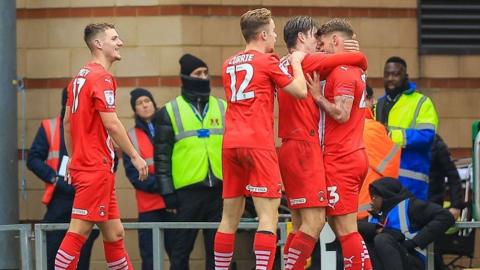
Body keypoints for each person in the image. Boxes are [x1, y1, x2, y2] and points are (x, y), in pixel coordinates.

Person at [213, 8, 309, 270]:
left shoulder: (228, 63)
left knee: (228, 218)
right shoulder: (266, 62)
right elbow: (300, 91)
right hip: (257, 141)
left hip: (230, 142)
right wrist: (297, 62)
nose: (276, 36)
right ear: (263, 34)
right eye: (274, 31)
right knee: (268, 215)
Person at [55, 23, 148, 270]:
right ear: (98, 44)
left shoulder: (78, 78)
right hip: (96, 167)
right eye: (115, 38)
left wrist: (74, 159)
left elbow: (66, 123)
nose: (120, 43)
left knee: (115, 233)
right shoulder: (102, 77)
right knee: (77, 232)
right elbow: (113, 124)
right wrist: (135, 156)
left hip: (91, 166)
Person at [278, 16, 368, 269]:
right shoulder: (309, 62)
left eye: (323, 40)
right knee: (322, 223)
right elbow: (354, 62)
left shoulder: (281, 63)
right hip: (310, 150)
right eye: (315, 37)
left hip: (301, 149)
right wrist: (360, 56)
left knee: (306, 224)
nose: (319, 44)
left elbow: (342, 112)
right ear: (302, 38)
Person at [153, 53, 225, 270]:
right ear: (186, 77)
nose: (203, 77)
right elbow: (162, 157)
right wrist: (168, 194)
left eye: (205, 73)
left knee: (218, 252)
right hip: (186, 194)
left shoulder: (223, 107)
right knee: (180, 251)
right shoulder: (169, 111)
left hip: (219, 191)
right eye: (197, 73)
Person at [311, 18, 372, 270]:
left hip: (342, 159)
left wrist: (317, 97)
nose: (321, 50)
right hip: (351, 154)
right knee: (341, 227)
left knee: (346, 230)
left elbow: (342, 113)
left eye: (323, 44)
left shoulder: (342, 72)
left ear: (336, 41)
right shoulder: (352, 68)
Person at [27, 88, 99, 270]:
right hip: (59, 198)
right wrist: (54, 178)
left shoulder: (93, 127)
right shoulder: (49, 127)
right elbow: (33, 159)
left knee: (81, 257)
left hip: (85, 196)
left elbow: (110, 159)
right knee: (54, 254)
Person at [375, 56, 438, 201]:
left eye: (396, 74)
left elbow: (427, 136)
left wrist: (392, 135)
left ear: (406, 77)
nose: (390, 78)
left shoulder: (422, 102)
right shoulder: (379, 105)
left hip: (411, 181)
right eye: (387, 74)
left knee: (409, 222)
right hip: (382, 181)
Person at [358, 177, 455, 270]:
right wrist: (377, 229)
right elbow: (353, 227)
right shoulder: (374, 217)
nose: (371, 202)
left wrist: (413, 243)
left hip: (413, 259)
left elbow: (445, 216)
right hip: (386, 262)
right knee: (359, 245)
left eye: (374, 197)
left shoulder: (411, 206)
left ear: (385, 195)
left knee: (382, 239)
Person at [124, 88, 169, 270]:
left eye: (147, 101)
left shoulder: (168, 127)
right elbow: (133, 175)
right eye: (139, 103)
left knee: (178, 255)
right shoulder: (130, 137)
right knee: (149, 257)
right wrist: (162, 185)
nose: (144, 105)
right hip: (149, 206)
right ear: (135, 110)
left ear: (153, 103)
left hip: (171, 204)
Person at [357, 85, 401, 220]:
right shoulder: (372, 128)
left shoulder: (336, 127)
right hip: (367, 210)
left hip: (341, 210)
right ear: (367, 100)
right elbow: (390, 170)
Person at [429, 133, 464, 270]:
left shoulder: (436, 144)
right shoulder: (405, 142)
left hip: (432, 204)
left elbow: (453, 176)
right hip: (413, 204)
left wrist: (456, 206)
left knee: (433, 249)